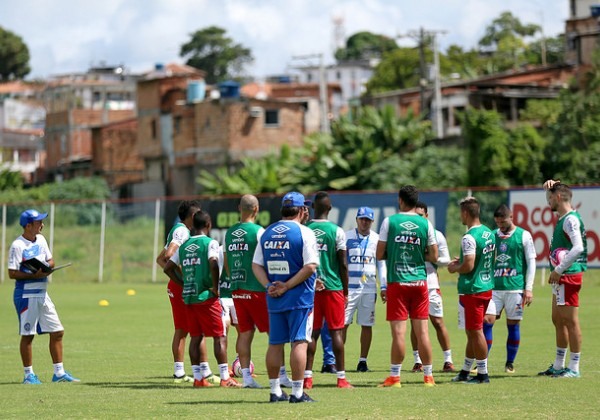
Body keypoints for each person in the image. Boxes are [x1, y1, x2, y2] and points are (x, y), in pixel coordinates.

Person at [252, 191, 319, 403]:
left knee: (275, 343)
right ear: (301, 210)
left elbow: (256, 265)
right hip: (299, 297)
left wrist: (270, 286)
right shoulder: (305, 232)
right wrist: (287, 286)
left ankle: (275, 391)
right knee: (299, 342)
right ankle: (298, 393)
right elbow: (310, 266)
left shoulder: (267, 232)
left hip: (274, 298)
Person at [164, 210, 241, 388]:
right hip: (207, 297)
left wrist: (183, 283)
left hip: (189, 298)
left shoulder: (184, 246)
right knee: (219, 336)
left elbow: (168, 268)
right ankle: (224, 377)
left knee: (196, 337)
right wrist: (216, 287)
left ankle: (199, 379)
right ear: (208, 225)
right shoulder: (210, 243)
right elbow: (213, 263)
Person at [225, 194, 292, 389]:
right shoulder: (259, 232)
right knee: (276, 333)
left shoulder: (229, 233)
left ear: (239, 208)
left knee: (245, 334)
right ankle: (281, 376)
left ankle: (246, 378)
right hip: (257, 289)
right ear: (257, 209)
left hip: (237, 289)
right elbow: (268, 260)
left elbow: (227, 262)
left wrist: (234, 279)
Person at [8, 209, 80, 384]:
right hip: (26, 295)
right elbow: (12, 273)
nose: (42, 224)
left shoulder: (41, 239)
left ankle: (59, 373)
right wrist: (33, 275)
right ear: (28, 225)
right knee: (28, 335)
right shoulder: (17, 245)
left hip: (42, 294)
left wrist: (46, 267)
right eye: (39, 222)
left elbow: (51, 260)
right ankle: (28, 375)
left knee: (57, 331)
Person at [377, 186, 438, 388]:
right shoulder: (425, 223)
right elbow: (434, 256)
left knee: (399, 334)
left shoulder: (390, 221)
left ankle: (395, 377)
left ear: (400, 200)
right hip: (420, 282)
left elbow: (379, 254)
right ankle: (428, 377)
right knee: (423, 333)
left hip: (398, 283)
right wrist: (420, 256)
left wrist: (393, 253)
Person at [155, 200, 217, 384]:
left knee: (185, 329)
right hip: (182, 286)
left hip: (178, 285)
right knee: (194, 329)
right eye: (197, 213)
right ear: (192, 216)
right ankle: (198, 372)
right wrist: (186, 279)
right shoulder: (182, 231)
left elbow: (160, 259)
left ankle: (183, 372)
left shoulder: (179, 230)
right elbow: (167, 257)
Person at [538, 180, 587, 378]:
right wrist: (547, 187)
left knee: (570, 321)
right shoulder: (563, 218)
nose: (547, 201)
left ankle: (574, 368)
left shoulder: (570, 220)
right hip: (561, 277)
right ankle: (559, 365)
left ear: (558, 198)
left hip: (568, 275)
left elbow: (578, 248)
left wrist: (558, 270)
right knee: (558, 320)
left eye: (549, 198)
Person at [305, 191, 353, 389]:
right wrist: (346, 290)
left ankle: (307, 378)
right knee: (336, 333)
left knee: (311, 333)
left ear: (313, 208)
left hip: (310, 289)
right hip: (334, 288)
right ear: (330, 208)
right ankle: (341, 379)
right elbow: (343, 263)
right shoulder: (338, 231)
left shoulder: (305, 229)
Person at [483, 204, 536, 374]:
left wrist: (528, 288)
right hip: (494, 289)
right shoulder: (491, 236)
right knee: (486, 322)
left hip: (515, 288)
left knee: (513, 325)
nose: (500, 226)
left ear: (511, 217)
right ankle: (482, 362)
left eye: (503, 222)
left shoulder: (524, 235)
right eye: (497, 223)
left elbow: (531, 262)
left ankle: (509, 363)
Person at [447, 196, 495, 384]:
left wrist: (455, 268)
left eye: (461, 212)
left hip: (473, 289)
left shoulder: (469, 237)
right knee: (472, 331)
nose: (460, 216)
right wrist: (463, 261)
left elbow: (468, 265)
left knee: (476, 332)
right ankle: (466, 370)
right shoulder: (488, 233)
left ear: (465, 213)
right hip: (485, 287)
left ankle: (482, 374)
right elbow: (485, 258)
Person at [410, 201, 455, 373]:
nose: (418, 218)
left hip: (430, 283)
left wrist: (430, 257)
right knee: (415, 324)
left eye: (421, 215)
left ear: (427, 216)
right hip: (413, 282)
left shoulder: (437, 235)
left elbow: (445, 259)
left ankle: (448, 360)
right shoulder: (410, 234)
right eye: (416, 215)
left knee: (437, 321)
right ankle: (417, 360)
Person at [343, 206, 387, 373]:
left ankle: (363, 361)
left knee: (367, 325)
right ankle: (337, 361)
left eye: (368, 220)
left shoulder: (377, 239)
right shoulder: (346, 237)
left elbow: (381, 264)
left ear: (372, 221)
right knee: (343, 324)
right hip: (350, 288)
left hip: (369, 288)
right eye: (362, 219)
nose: (364, 222)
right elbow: (342, 263)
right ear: (356, 219)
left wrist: (383, 286)